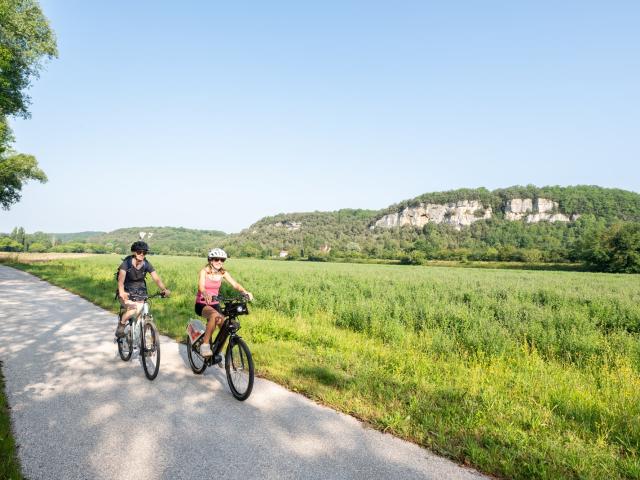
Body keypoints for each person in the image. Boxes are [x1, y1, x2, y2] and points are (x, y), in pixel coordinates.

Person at [195, 248, 253, 358]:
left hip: (215, 303)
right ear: (211, 260)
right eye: (217, 259)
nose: (219, 262)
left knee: (225, 327)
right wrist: (205, 293)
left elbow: (235, 284)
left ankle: (218, 352)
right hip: (202, 303)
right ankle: (205, 345)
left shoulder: (223, 273)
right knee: (215, 316)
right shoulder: (204, 271)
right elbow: (201, 286)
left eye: (222, 260)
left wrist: (245, 292)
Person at [115, 241, 170, 338]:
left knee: (142, 313)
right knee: (132, 310)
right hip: (126, 292)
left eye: (144, 252)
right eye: (139, 252)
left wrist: (164, 289)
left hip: (140, 293)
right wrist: (121, 292)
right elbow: (120, 281)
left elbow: (156, 279)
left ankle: (141, 342)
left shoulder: (146, 264)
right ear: (134, 252)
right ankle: (121, 325)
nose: (142, 254)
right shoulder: (126, 263)